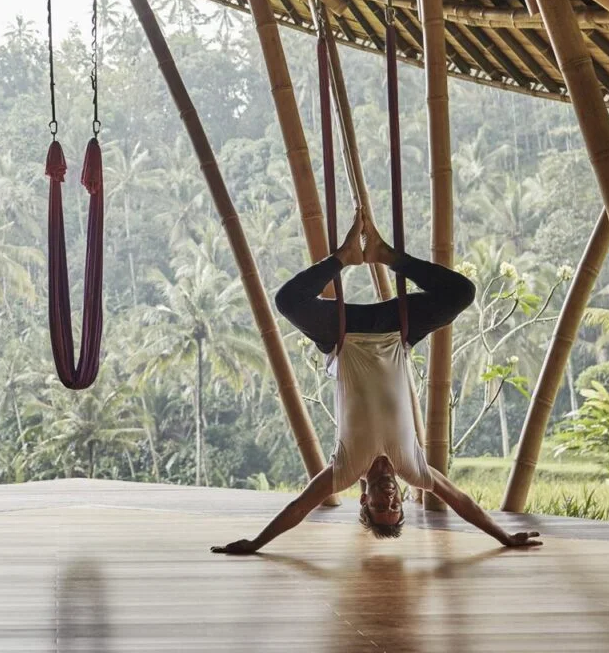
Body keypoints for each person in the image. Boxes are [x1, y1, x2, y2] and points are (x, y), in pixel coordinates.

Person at [213, 212, 541, 554]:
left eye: (380, 507)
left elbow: (298, 507)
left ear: (363, 500)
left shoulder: (343, 470)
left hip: (343, 335)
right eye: (394, 506)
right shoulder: (413, 468)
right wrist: (504, 537)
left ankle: (343, 257)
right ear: (401, 499)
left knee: (287, 301)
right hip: (396, 331)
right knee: (462, 293)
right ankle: (388, 256)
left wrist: (256, 543)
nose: (388, 500)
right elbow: (461, 501)